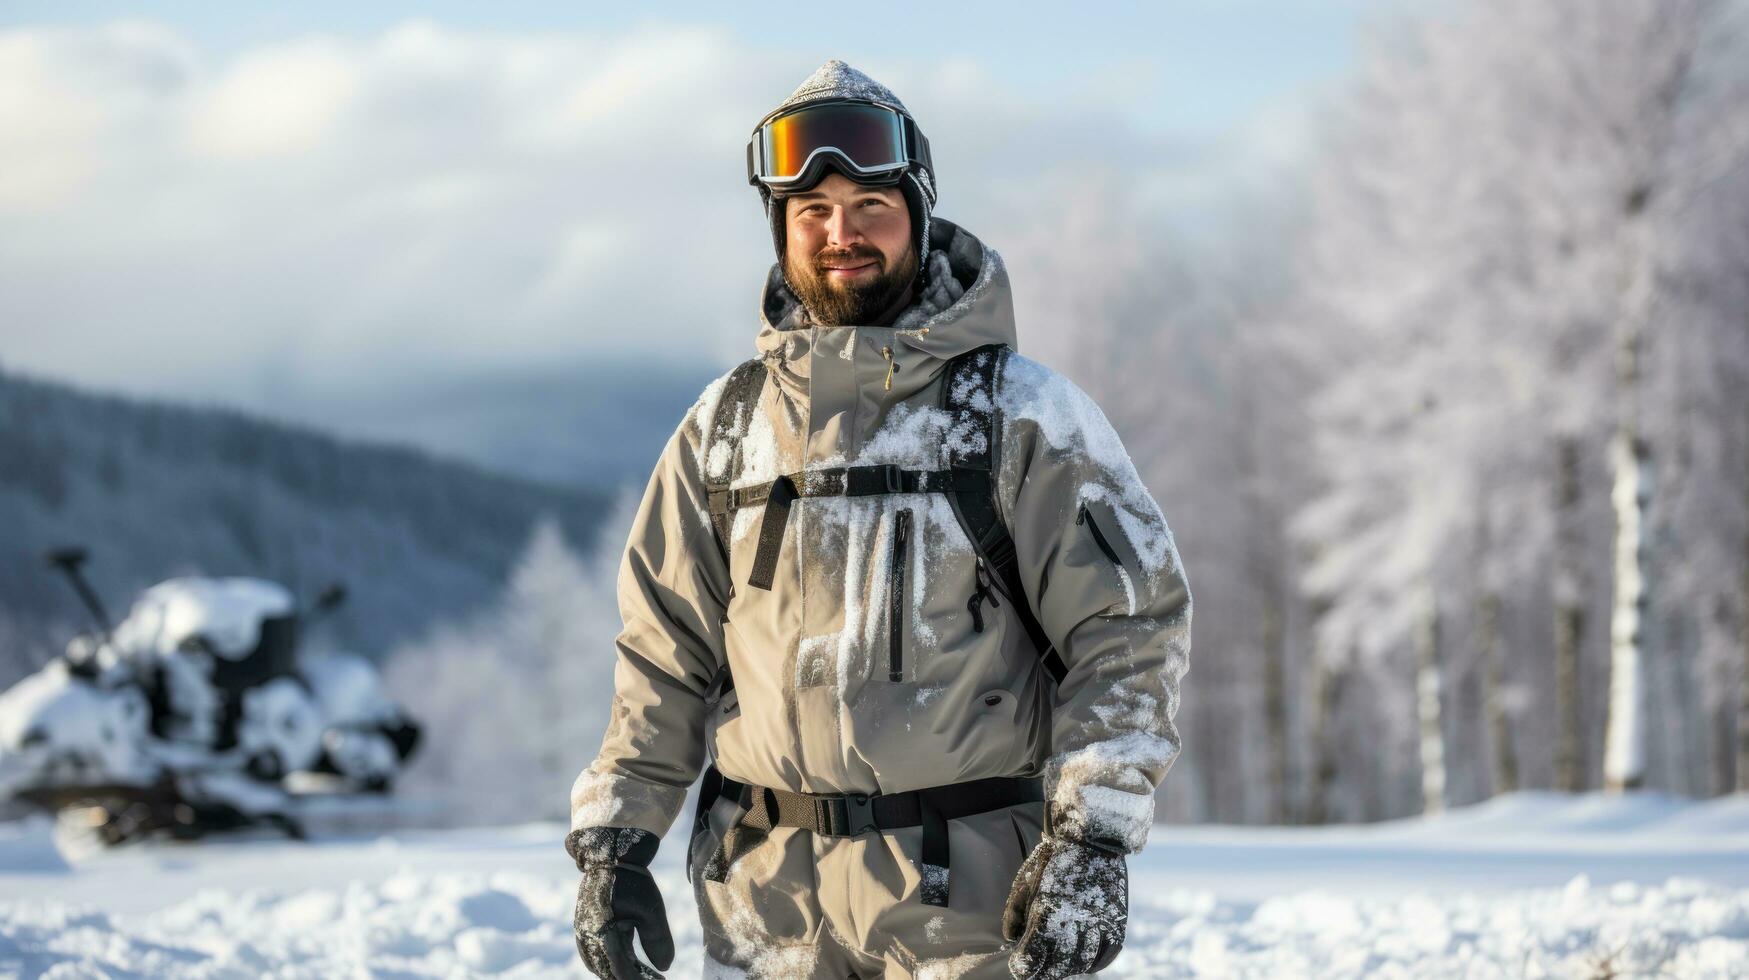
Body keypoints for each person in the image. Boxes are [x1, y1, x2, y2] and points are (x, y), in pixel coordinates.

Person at [565, 59, 1192, 980]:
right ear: (780, 230)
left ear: (919, 215)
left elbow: (1128, 630)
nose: (839, 233)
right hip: (762, 907)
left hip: (968, 910)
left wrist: (1092, 834)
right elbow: (664, 654)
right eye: (810, 211)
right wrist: (616, 840)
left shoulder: (1022, 418)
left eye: (869, 206)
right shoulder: (725, 427)